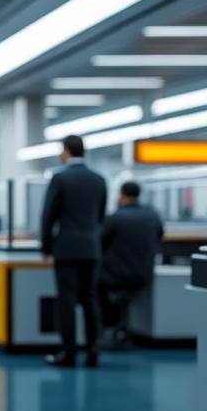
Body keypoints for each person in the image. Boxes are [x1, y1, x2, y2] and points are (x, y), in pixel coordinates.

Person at [40, 135, 107, 368]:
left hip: (66, 248)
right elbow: (100, 215)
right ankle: (93, 350)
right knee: (90, 299)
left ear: (66, 150)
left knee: (66, 301)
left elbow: (49, 216)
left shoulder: (60, 178)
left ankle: (68, 353)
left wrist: (46, 248)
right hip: (91, 247)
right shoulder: (99, 180)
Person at [98, 181, 164, 347]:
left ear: (121, 195)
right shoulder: (152, 215)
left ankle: (108, 326)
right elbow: (159, 235)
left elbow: (99, 242)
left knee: (92, 287)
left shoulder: (115, 218)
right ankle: (119, 327)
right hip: (143, 274)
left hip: (115, 277)